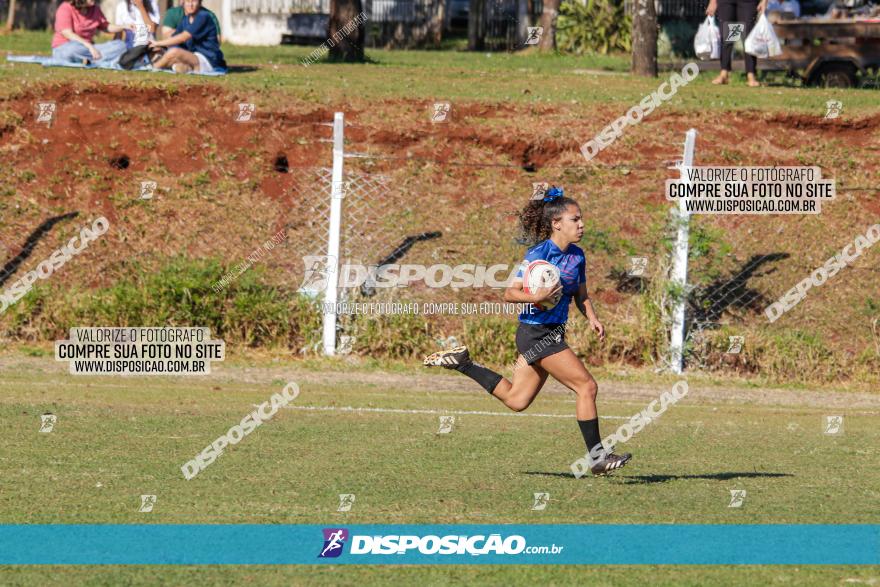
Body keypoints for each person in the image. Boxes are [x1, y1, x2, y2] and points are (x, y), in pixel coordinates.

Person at [422, 187, 632, 476]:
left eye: (581, 219)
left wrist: (592, 317)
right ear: (557, 223)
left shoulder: (577, 256)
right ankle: (597, 459)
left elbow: (580, 294)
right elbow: (510, 293)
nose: (581, 224)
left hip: (551, 333)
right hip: (536, 334)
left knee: (517, 400)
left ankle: (464, 363)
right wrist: (537, 296)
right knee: (587, 386)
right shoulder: (538, 254)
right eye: (575, 219)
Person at [149, 0, 226, 74]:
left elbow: (183, 37)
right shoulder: (186, 19)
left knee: (174, 52)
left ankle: (153, 68)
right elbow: (174, 38)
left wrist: (158, 43)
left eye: (194, 1)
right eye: (188, 1)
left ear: (200, 2)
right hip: (193, 57)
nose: (190, 5)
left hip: (208, 60)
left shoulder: (203, 16)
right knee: (168, 54)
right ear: (183, 3)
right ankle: (186, 68)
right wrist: (161, 48)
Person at [51, 0, 133, 65]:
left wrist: (124, 27)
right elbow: (67, 33)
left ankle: (86, 60)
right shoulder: (65, 8)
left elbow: (106, 27)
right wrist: (89, 46)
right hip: (66, 46)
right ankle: (95, 59)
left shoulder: (95, 9)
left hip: (89, 49)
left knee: (120, 45)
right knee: (70, 51)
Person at [707, 0, 768, 87]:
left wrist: (764, 1)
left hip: (747, 2)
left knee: (748, 35)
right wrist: (713, 1)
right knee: (728, 35)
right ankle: (724, 72)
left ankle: (751, 75)